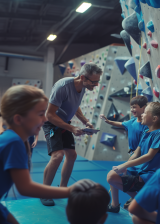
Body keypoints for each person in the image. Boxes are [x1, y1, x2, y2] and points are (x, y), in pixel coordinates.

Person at [0, 85, 96, 224]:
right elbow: (25, 188)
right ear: (18, 119)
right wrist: (70, 191)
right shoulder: (12, 142)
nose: (45, 119)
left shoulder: (18, 142)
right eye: (41, 114)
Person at [41, 63, 102, 206]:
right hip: (52, 123)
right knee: (57, 156)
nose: (96, 84)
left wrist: (85, 121)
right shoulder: (62, 87)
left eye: (98, 81)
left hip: (65, 122)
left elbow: (75, 106)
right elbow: (49, 115)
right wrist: (71, 128)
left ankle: (62, 189)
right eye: (94, 82)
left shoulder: (83, 87)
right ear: (82, 77)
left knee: (72, 155)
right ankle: (44, 192)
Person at [106, 102, 160, 213]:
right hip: (139, 170)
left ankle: (140, 201)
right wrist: (124, 167)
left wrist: (124, 165)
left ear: (154, 119)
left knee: (111, 178)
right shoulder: (146, 131)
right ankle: (115, 205)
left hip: (149, 174)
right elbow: (136, 154)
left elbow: (149, 156)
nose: (142, 115)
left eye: (145, 113)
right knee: (112, 174)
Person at [100, 95, 148, 209]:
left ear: (144, 108)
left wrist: (126, 164)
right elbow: (120, 124)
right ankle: (115, 204)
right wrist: (108, 121)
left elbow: (140, 150)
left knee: (120, 178)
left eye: (135, 107)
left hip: (139, 158)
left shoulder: (146, 126)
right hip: (133, 155)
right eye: (131, 107)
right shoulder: (132, 121)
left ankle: (137, 200)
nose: (132, 110)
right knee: (118, 177)